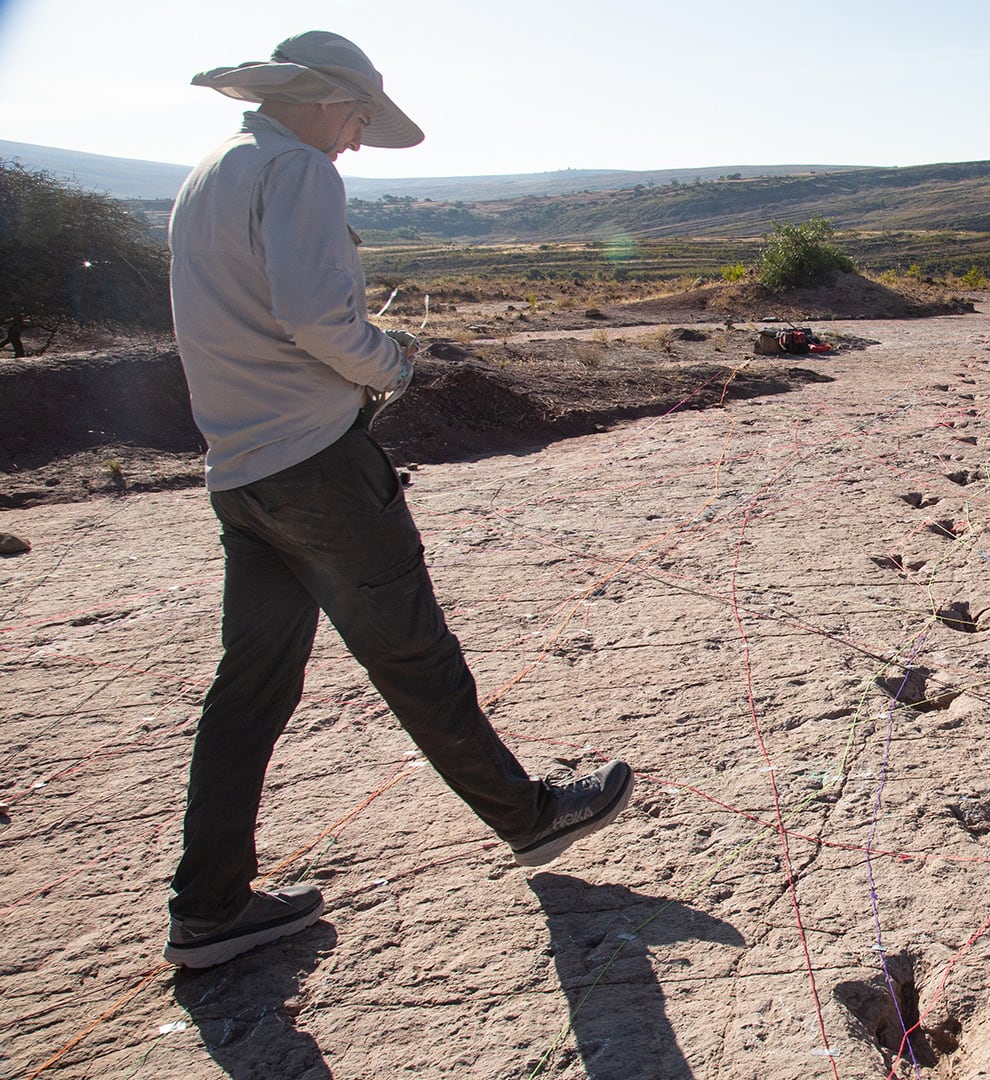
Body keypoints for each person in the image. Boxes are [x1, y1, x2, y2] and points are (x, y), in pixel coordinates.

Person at [164, 31, 632, 969]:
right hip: (317, 466)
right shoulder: (297, 168)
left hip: (241, 470)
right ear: (322, 98)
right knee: (416, 656)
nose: (356, 139)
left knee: (249, 690)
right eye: (358, 118)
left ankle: (208, 907)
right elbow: (314, 316)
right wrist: (392, 363)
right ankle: (529, 817)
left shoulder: (213, 169)